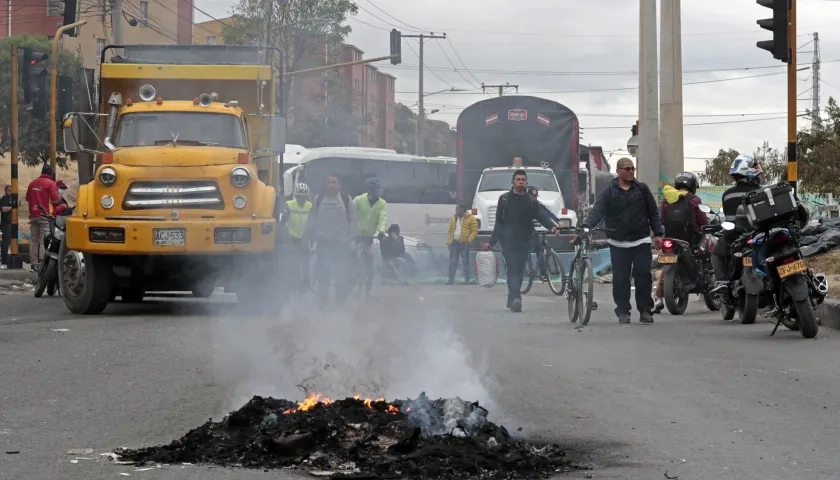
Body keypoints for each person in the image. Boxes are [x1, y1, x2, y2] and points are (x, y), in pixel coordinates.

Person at [583, 158, 663, 324]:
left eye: (632, 169)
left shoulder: (642, 189)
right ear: (618, 171)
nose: (630, 172)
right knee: (620, 279)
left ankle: (645, 311)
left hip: (641, 240)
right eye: (627, 169)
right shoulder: (609, 192)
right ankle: (623, 312)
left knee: (643, 276)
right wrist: (586, 226)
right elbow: (598, 211)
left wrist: (658, 234)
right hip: (618, 243)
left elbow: (653, 212)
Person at [485, 169, 561, 312]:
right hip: (507, 241)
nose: (521, 182)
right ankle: (516, 298)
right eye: (518, 179)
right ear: (513, 182)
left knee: (519, 270)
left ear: (526, 182)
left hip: (525, 240)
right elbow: (499, 222)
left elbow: (541, 216)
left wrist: (552, 226)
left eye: (523, 180)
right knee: (512, 268)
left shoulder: (531, 201)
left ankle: (512, 297)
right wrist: (491, 242)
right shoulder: (504, 199)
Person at [653, 172, 708, 313]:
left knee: (666, 267)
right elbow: (702, 220)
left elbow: (661, 218)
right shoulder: (695, 199)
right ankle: (696, 279)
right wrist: (705, 227)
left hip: (670, 238)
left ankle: (658, 297)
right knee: (701, 254)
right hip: (690, 238)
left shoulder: (667, 199)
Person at [710, 154, 762, 294]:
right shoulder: (760, 193)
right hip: (759, 236)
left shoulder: (727, 195)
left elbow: (728, 217)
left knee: (715, 253)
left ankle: (721, 281)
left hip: (733, 238)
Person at [305, 173, 357, 306]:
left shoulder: (346, 199)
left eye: (334, 182)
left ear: (339, 185)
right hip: (324, 243)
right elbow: (312, 219)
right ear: (325, 184)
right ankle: (322, 301)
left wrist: (352, 240)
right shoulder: (318, 199)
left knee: (341, 275)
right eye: (329, 182)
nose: (331, 185)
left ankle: (339, 303)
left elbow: (353, 221)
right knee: (323, 274)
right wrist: (310, 237)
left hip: (341, 243)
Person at [354, 178, 388, 299]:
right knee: (351, 258)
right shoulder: (358, 200)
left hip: (369, 238)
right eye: (378, 189)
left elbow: (382, 218)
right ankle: (349, 285)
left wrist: (381, 231)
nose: (380, 191)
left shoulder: (382, 203)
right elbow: (351, 216)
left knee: (370, 267)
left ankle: (368, 292)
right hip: (356, 236)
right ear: (371, 189)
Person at [26, 164, 61, 271]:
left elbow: (28, 198)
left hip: (33, 215)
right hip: (44, 216)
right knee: (43, 240)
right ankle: (42, 263)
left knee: (33, 240)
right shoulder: (51, 183)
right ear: (50, 173)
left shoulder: (32, 183)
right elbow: (55, 200)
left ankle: (33, 264)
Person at [283, 183, 312, 291]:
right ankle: (293, 282)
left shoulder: (310, 206)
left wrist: (310, 236)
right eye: (298, 196)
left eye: (303, 197)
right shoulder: (289, 204)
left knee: (305, 261)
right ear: (295, 196)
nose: (301, 199)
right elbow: (284, 221)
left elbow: (313, 222)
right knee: (293, 261)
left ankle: (305, 282)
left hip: (304, 237)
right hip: (292, 238)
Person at [446, 203, 478, 285]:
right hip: (454, 243)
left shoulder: (471, 218)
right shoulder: (454, 218)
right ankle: (451, 280)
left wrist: (469, 241)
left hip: (465, 243)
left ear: (463, 210)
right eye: (456, 209)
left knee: (465, 262)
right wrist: (449, 242)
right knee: (453, 262)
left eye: (458, 209)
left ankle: (467, 280)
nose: (456, 210)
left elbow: (474, 231)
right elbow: (450, 231)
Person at [1, 185, 12, 268]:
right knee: (6, 242)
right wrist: (13, 208)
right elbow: (4, 209)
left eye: (11, 190)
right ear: (6, 191)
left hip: (10, 223)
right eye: (9, 190)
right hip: (6, 223)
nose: (10, 192)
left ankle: (6, 259)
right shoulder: (5, 198)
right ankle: (4, 260)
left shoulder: (10, 198)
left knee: (8, 241)